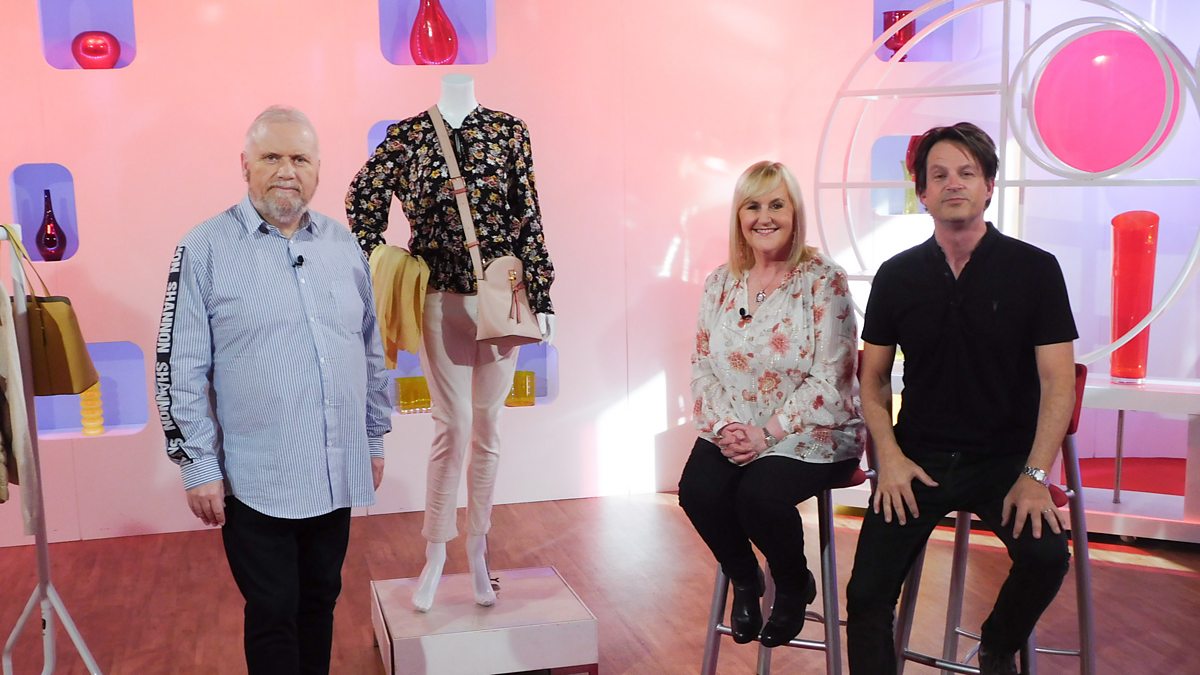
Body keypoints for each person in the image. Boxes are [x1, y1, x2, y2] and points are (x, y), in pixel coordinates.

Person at [155, 106, 392, 675]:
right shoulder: (204, 248)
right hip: (256, 476)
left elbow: (370, 350)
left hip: (334, 468)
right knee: (273, 609)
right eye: (271, 157)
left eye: (300, 158)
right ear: (245, 165)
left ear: (318, 170)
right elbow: (179, 365)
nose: (287, 171)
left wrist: (373, 438)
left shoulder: (344, 246)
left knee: (321, 599)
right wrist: (197, 466)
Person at [845, 122, 1077, 675]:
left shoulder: (1035, 269)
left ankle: (997, 644)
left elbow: (1058, 383)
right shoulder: (896, 276)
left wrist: (1035, 474)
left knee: (1047, 557)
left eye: (967, 173)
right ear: (921, 192)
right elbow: (871, 379)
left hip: (1005, 461)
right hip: (918, 460)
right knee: (865, 596)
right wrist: (889, 458)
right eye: (939, 175)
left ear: (989, 186)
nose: (954, 183)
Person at [346, 74, 556, 612]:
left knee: (488, 426)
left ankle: (479, 548)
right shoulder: (409, 135)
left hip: (503, 295)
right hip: (438, 297)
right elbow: (363, 195)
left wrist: (542, 294)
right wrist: (379, 259)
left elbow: (527, 215)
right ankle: (435, 550)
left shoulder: (508, 131)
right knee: (453, 422)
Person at [678, 160, 863, 648]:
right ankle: (744, 578)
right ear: (739, 216)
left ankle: (793, 581)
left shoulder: (824, 279)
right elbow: (702, 364)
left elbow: (833, 377)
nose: (764, 217)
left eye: (776, 205)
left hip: (814, 429)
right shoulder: (721, 282)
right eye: (752, 206)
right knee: (698, 491)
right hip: (737, 424)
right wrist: (726, 427)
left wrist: (768, 433)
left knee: (757, 495)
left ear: (794, 211)